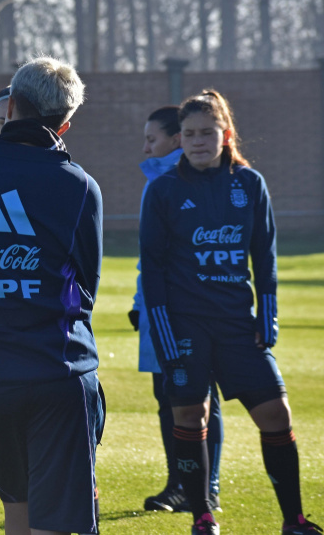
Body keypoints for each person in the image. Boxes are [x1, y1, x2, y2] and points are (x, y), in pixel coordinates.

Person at [140, 90, 320, 535]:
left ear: (225, 134)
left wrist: (268, 316)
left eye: (207, 132)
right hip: (184, 326)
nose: (198, 141)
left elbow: (265, 256)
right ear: (180, 139)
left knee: (276, 413)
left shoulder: (249, 184)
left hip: (238, 326)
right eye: (189, 134)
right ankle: (202, 515)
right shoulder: (163, 189)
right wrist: (162, 332)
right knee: (190, 416)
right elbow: (154, 268)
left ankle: (293, 519)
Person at [0, 56, 104, 535]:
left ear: (10, 105)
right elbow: (85, 285)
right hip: (58, 374)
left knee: (19, 511)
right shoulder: (79, 186)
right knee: (55, 523)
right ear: (66, 123)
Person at [131, 107, 224, 514]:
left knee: (196, 396)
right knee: (172, 396)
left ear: (175, 140)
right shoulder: (157, 180)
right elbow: (148, 257)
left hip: (185, 310)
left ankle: (199, 487)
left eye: (153, 139)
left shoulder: (185, 181)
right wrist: (140, 305)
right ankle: (187, 485)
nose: (146, 146)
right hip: (159, 309)